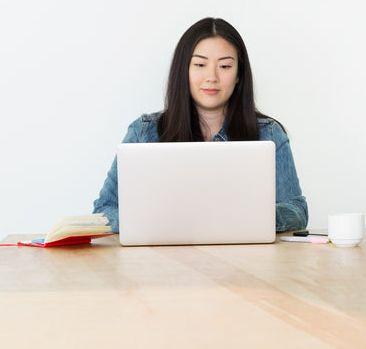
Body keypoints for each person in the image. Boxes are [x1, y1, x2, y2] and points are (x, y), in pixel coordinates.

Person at [93, 17, 308, 233]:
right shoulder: (143, 132)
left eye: (224, 66)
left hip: (244, 261)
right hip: (162, 261)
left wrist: (243, 216)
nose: (212, 77)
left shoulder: (269, 133)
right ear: (183, 70)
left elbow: (297, 212)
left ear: (238, 75)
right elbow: (104, 211)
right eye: (199, 65)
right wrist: (161, 221)